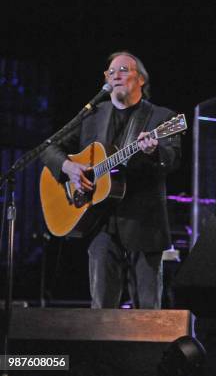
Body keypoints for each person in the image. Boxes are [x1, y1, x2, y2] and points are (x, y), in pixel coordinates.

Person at [41, 51, 181, 309]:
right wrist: (69, 167)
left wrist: (153, 151)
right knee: (101, 314)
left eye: (124, 70)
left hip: (144, 226)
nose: (115, 75)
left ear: (141, 79)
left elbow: (172, 159)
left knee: (147, 315)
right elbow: (49, 149)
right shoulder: (92, 114)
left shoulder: (163, 118)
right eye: (110, 72)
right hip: (99, 225)